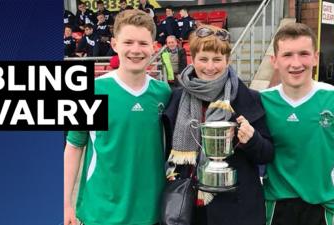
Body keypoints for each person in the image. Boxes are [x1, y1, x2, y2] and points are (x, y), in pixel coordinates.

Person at [64, 9, 171, 225]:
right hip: (100, 213)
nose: (135, 50)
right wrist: (65, 203)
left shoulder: (164, 93)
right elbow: (74, 148)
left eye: (143, 43)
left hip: (151, 213)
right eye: (128, 42)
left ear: (153, 46)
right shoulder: (92, 91)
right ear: (114, 45)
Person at [162, 25, 274, 225]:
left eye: (217, 59)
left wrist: (252, 139)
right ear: (192, 59)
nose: (210, 67)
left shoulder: (247, 97)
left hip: (237, 209)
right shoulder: (177, 98)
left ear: (227, 60)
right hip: (188, 209)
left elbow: (266, 154)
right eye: (203, 59)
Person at [260, 22, 334, 225]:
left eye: (304, 53)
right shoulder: (261, 101)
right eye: (287, 55)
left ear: (316, 57)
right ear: (274, 61)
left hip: (323, 207)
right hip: (277, 208)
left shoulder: (331, 98)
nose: (296, 63)